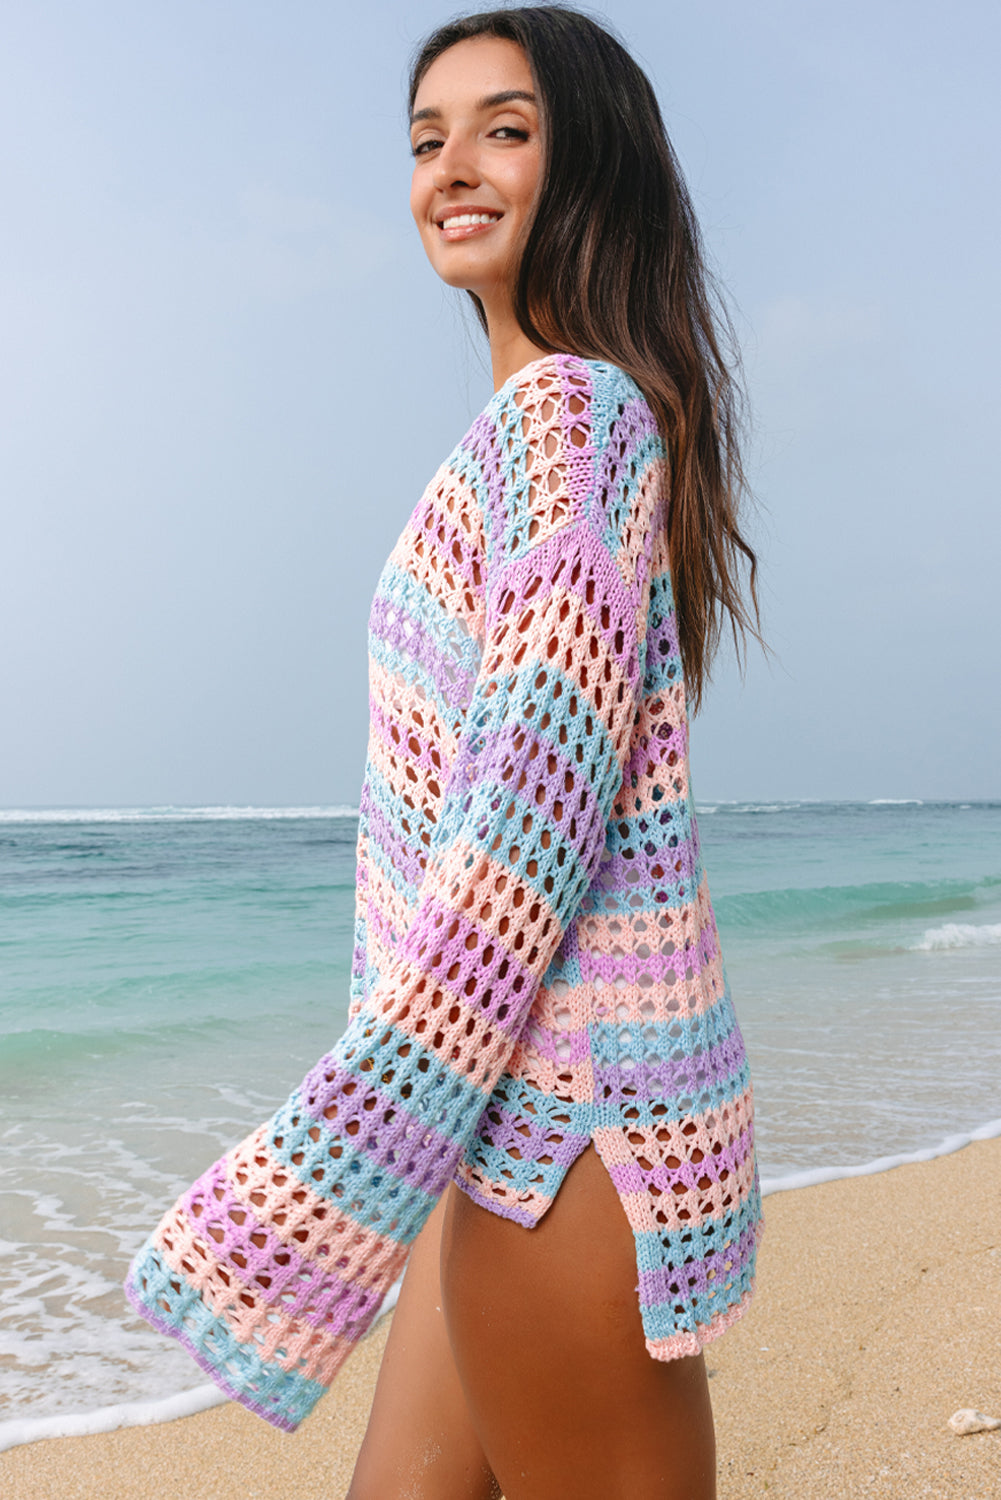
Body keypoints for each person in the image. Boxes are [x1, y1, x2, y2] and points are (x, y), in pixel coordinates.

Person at [126, 9, 763, 1498]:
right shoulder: (532, 431)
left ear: (587, 161)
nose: (453, 168)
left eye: (504, 129)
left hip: (561, 1126)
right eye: (428, 139)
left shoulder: (571, 422)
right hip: (491, 1120)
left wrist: (326, 1160)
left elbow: (519, 844)